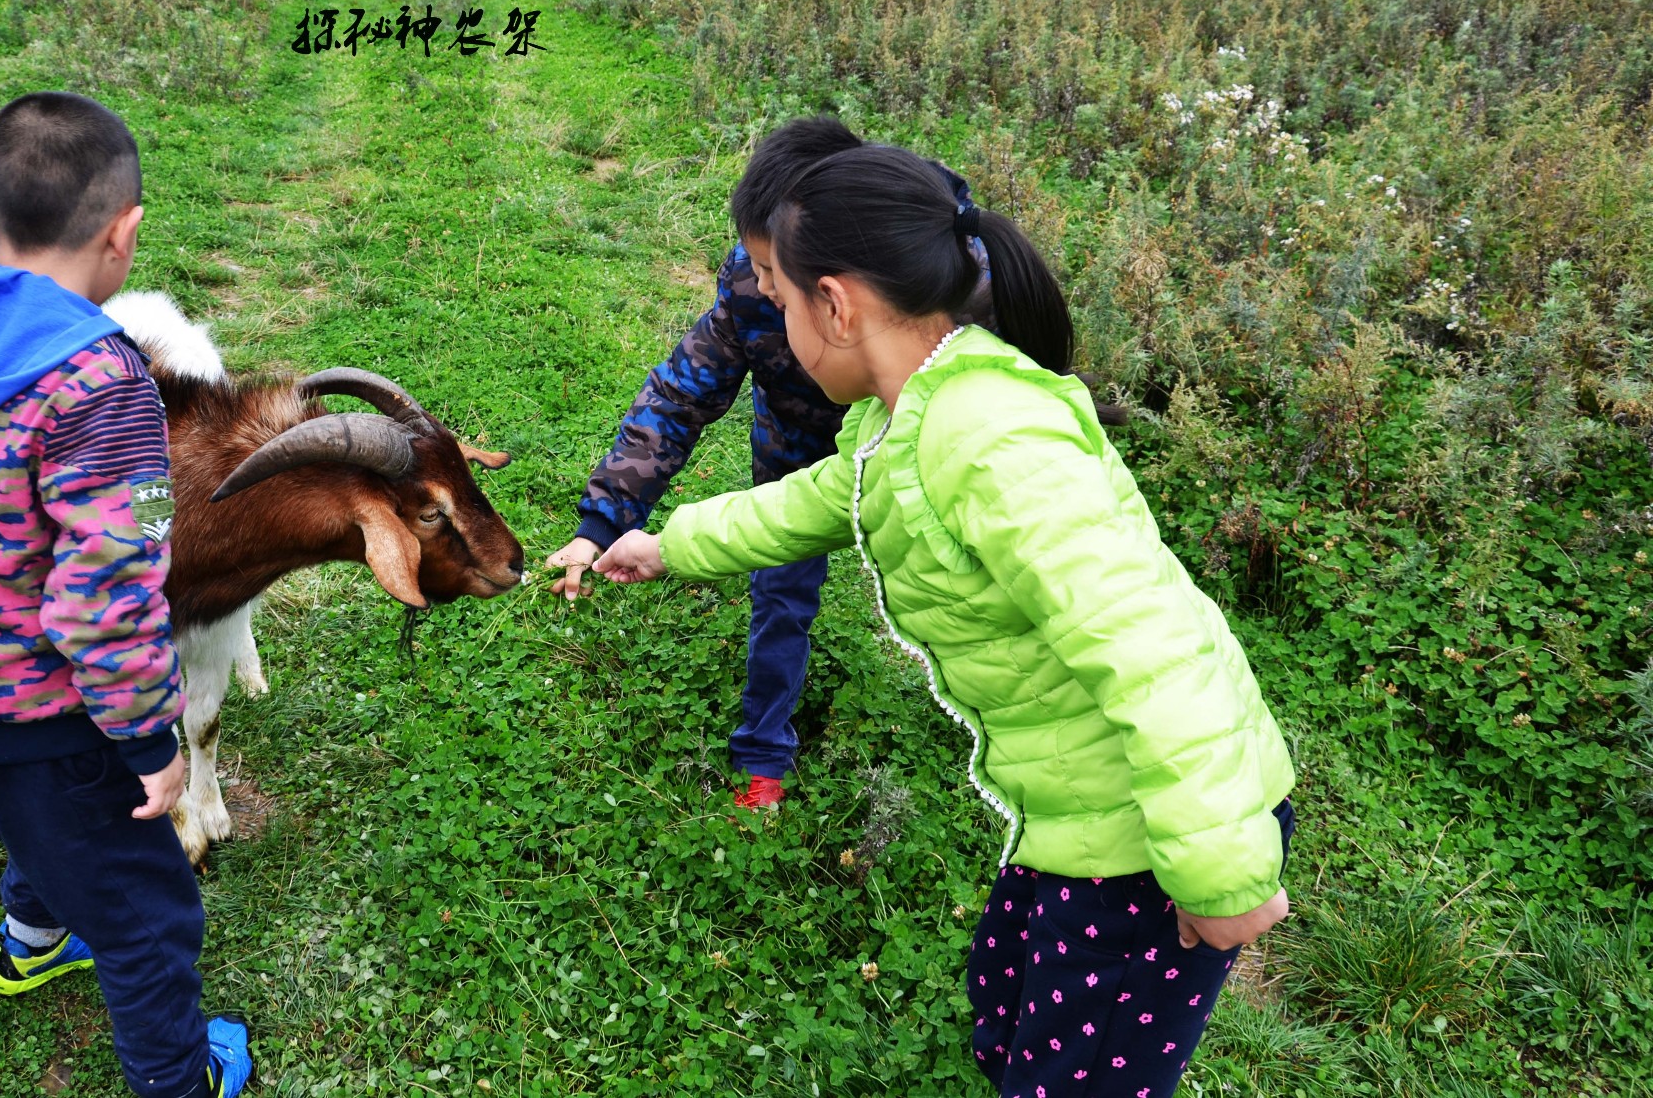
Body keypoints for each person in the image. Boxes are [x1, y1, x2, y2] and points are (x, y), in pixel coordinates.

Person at [593, 138, 1297, 1098]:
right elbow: (816, 499)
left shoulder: (995, 439)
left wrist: (1223, 873)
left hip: (1155, 840)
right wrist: (667, 543)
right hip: (1074, 814)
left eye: (784, 300)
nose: (775, 317)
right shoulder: (918, 412)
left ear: (835, 305)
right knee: (1003, 1007)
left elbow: (1153, 647)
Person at [0, 92, 252, 1098]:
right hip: (42, 710)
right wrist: (148, 747)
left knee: (36, 828)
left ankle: (31, 943)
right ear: (124, 235)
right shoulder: (107, 385)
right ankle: (180, 1082)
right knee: (145, 916)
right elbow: (107, 598)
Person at [546, 117, 977, 810]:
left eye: (776, 272)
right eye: (758, 270)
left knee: (946, 590)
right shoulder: (751, 289)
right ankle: (764, 753)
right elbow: (681, 395)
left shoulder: (943, 306)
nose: (767, 289)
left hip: (915, 462)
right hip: (798, 455)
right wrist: (603, 521)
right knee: (782, 591)